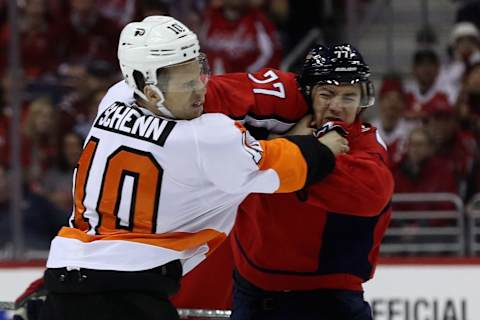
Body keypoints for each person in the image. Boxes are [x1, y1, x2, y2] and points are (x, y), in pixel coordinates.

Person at [39, 16, 347, 320]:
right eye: (185, 84)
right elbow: (287, 170)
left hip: (64, 278)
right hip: (126, 295)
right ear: (149, 89)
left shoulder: (113, 100)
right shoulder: (206, 137)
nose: (200, 90)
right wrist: (326, 145)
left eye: (199, 73)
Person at [227, 44, 394, 320]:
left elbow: (370, 193)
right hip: (255, 290)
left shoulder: (365, 142)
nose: (338, 107)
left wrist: (288, 150)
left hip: (331, 296)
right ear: (307, 94)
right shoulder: (269, 115)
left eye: (349, 97)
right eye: (327, 94)